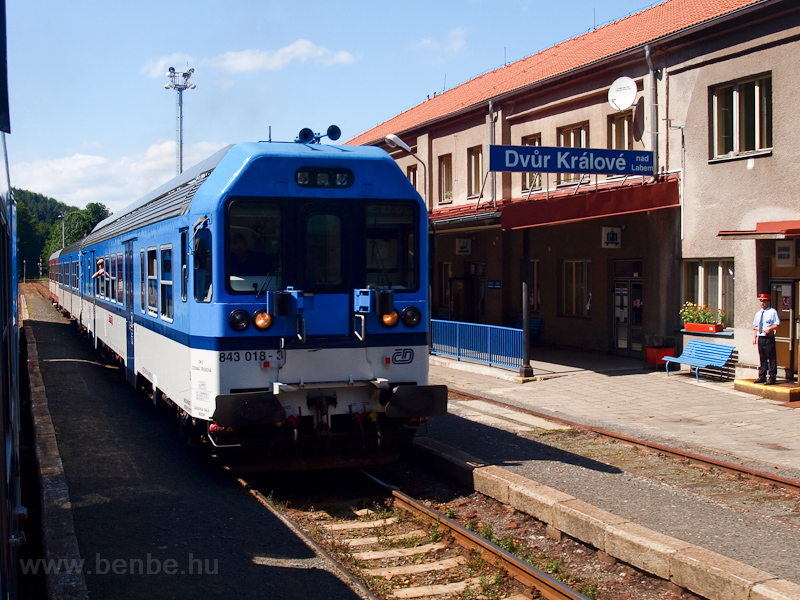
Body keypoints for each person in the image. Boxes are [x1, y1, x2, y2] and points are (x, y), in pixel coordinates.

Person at [753, 293, 780, 385]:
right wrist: (755, 337)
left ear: (768, 301)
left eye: (764, 301)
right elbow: (756, 326)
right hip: (761, 337)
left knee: (771, 358)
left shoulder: (772, 312)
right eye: (761, 301)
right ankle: (762, 376)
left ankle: (772, 377)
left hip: (769, 338)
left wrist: (770, 328)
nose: (762, 303)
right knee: (762, 357)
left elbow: (777, 324)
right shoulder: (758, 313)